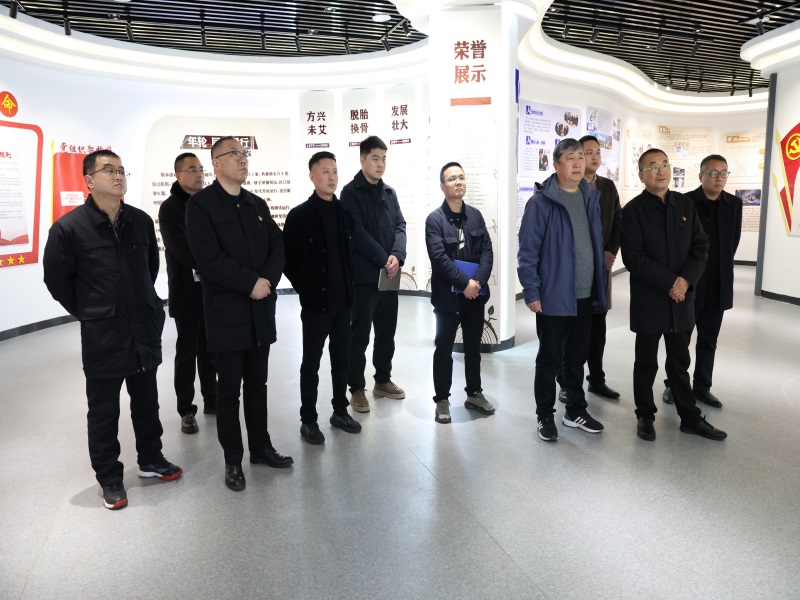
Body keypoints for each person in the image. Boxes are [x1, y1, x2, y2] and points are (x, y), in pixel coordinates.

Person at [43, 149, 182, 510]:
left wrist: (142, 303)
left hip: (142, 326)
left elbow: (149, 268)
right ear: (89, 181)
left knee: (147, 400)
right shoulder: (69, 228)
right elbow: (57, 281)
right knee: (104, 410)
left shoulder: (140, 221)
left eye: (121, 170)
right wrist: (91, 312)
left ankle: (151, 459)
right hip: (103, 332)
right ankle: (109, 477)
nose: (118, 176)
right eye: (109, 170)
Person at [186, 136, 292, 493]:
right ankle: (233, 459)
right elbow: (208, 259)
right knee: (229, 391)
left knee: (258, 384)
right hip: (227, 313)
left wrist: (267, 281)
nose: (243, 159)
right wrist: (250, 283)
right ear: (216, 163)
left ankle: (261, 448)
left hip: (259, 312)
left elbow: (277, 246)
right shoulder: (200, 206)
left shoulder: (256, 204)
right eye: (235, 154)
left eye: (245, 154)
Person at [620, 148, 726, 442]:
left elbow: (700, 246)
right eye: (653, 166)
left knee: (679, 363)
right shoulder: (632, 212)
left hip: (681, 300)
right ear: (641, 175)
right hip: (650, 300)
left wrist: (686, 280)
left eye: (665, 165)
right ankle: (645, 415)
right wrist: (672, 282)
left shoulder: (684, 204)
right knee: (646, 363)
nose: (661, 171)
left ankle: (689, 417)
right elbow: (634, 258)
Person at [518, 138, 607, 442]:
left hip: (585, 295)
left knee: (577, 357)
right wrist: (531, 292)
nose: (578, 162)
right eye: (571, 158)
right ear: (556, 165)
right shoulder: (541, 203)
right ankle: (545, 414)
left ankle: (575, 411)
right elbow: (527, 252)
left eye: (581, 156)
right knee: (549, 359)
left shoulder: (588, 196)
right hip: (554, 296)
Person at [283, 151, 362, 444]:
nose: (331, 177)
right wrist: (305, 287)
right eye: (325, 171)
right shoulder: (300, 216)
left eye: (335, 171)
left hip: (344, 303)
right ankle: (308, 420)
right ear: (312, 176)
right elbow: (288, 259)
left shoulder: (345, 214)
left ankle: (340, 412)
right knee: (311, 364)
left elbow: (350, 257)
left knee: (341, 360)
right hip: (317, 304)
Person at [663, 154, 742, 408]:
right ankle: (674, 385)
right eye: (713, 173)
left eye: (724, 173)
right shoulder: (685, 202)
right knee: (681, 339)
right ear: (701, 176)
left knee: (709, 339)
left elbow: (733, 243)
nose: (719, 178)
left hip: (719, 283)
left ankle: (702, 387)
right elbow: (677, 244)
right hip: (690, 283)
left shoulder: (734, 204)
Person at [340, 136, 407, 413]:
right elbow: (356, 231)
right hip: (365, 277)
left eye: (384, 159)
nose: (380, 164)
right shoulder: (350, 193)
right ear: (362, 159)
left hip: (389, 276)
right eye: (375, 158)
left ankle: (382, 380)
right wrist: (384, 259)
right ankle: (356, 388)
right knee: (359, 336)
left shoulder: (389, 193)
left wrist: (397, 256)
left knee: (386, 333)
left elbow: (400, 225)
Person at [425, 162, 495, 424]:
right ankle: (442, 400)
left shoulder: (475, 216)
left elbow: (487, 251)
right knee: (443, 349)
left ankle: (474, 393)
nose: (458, 182)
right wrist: (465, 284)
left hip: (474, 296)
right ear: (442, 186)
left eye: (461, 177)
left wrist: (476, 282)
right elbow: (439, 259)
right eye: (452, 178)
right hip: (448, 298)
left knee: (473, 349)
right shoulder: (434, 220)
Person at [558, 135, 622, 402]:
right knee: (571, 332)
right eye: (587, 152)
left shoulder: (607, 186)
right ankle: (566, 383)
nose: (593, 157)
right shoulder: (567, 188)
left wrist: (610, 251)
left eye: (597, 152)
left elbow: (618, 222)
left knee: (598, 329)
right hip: (575, 272)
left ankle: (596, 379)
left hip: (601, 268)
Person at [158, 152, 216, 434]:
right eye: (192, 169)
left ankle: (212, 399)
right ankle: (186, 410)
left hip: (212, 289)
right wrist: (214, 264)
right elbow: (180, 247)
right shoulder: (170, 208)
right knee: (187, 352)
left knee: (210, 348)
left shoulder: (210, 203)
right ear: (178, 175)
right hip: (186, 290)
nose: (199, 174)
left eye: (201, 169)